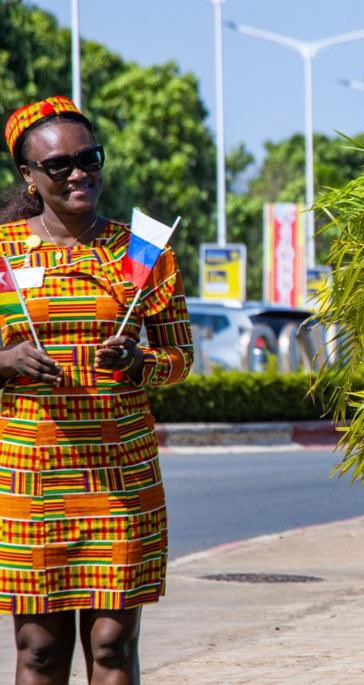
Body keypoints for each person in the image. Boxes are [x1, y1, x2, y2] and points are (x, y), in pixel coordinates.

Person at [0, 96, 192, 683]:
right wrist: (5, 361)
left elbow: (180, 359)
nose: (79, 173)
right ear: (29, 177)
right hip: (31, 476)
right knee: (39, 649)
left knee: (113, 646)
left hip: (121, 474)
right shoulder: (1, 255)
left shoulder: (143, 253)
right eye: (60, 165)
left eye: (89, 158)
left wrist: (140, 362)